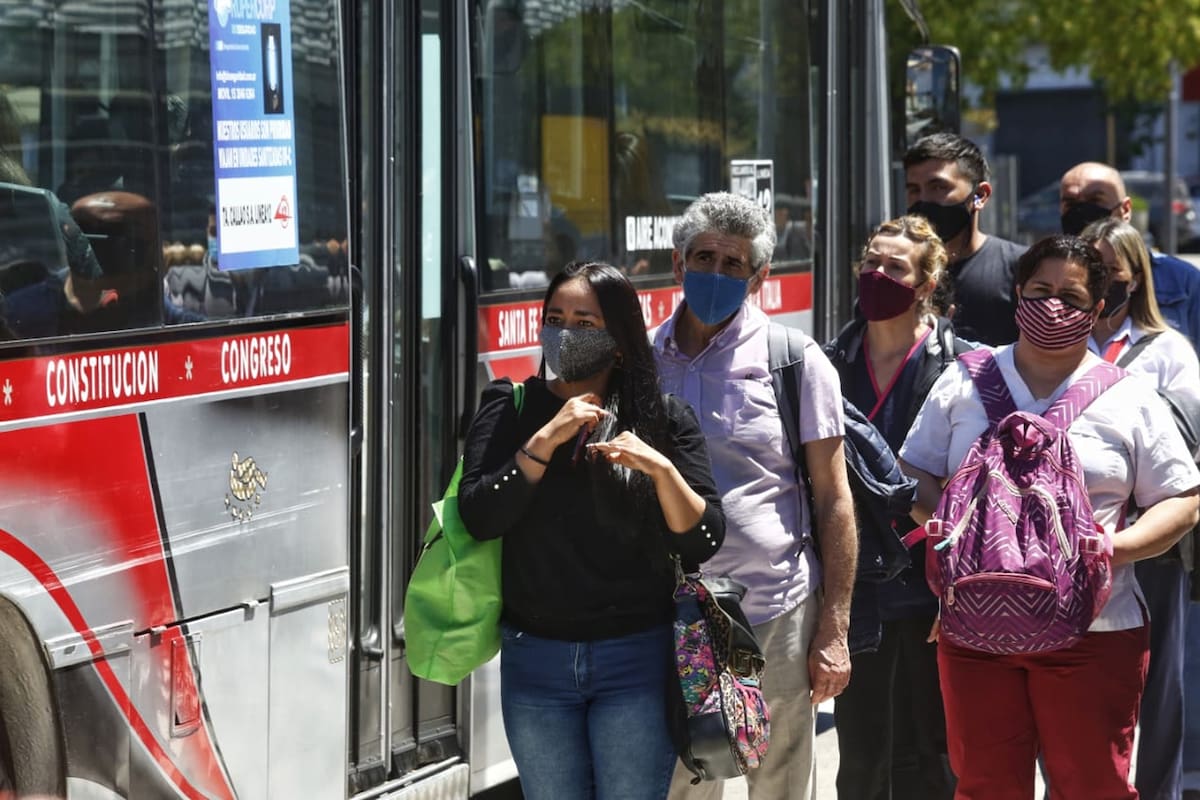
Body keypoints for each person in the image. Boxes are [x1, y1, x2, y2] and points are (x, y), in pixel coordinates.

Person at [899, 235, 1200, 799]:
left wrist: (1116, 548)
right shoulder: (963, 379)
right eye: (1040, 290)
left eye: (1070, 295)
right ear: (1018, 293)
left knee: (1092, 786)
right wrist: (955, 530)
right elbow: (913, 471)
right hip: (976, 628)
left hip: (1096, 628)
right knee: (986, 785)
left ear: (1098, 308)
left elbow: (1183, 501)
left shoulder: (1131, 397)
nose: (1053, 304)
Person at [457, 261, 726, 800]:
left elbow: (702, 541)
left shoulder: (664, 421)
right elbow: (481, 516)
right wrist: (542, 442)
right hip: (537, 659)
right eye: (555, 318)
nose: (565, 335)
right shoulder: (510, 407)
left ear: (620, 343)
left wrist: (661, 470)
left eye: (585, 323)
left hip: (636, 661)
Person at [651, 192, 857, 799]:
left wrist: (834, 629)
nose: (716, 272)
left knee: (781, 787)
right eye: (704, 256)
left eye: (734, 263)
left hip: (774, 611)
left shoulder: (793, 360)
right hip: (667, 613)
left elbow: (833, 499)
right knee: (681, 787)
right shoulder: (639, 357)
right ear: (678, 264)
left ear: (760, 277)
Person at [825, 215, 960, 800]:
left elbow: (973, 486)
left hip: (929, 587)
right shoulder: (825, 364)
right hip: (853, 587)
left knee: (929, 755)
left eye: (895, 267)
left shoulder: (962, 367)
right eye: (871, 262)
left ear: (926, 285)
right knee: (859, 760)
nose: (877, 274)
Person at [1081, 217, 1200, 800]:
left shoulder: (1168, 350)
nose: (1104, 285)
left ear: (1138, 277)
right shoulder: (1059, 345)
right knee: (1075, 685)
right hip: (1075, 541)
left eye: (1115, 273)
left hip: (1152, 542)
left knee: (1158, 688)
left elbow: (1188, 442)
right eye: (1093, 271)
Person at [1060, 161, 1200, 348]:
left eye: (1095, 200)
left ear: (1125, 209)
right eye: (1071, 202)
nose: (1081, 211)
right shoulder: (1049, 277)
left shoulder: (1182, 282)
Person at [904, 133, 1026, 346]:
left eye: (938, 187)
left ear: (980, 195)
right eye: (914, 190)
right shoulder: (897, 269)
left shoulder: (1020, 267)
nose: (923, 200)